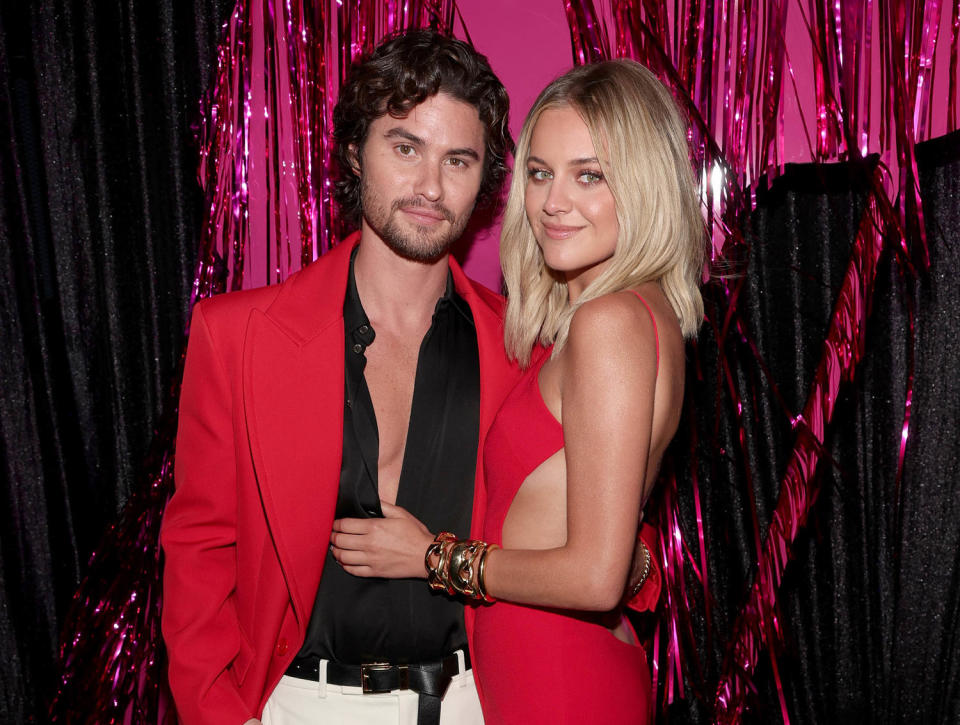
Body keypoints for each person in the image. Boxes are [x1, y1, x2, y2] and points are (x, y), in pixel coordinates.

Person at [160, 29, 517, 725]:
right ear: (356, 152)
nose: (430, 187)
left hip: (476, 701)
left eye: (459, 160)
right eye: (405, 147)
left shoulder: (523, 347)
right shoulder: (236, 335)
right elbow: (199, 555)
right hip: (299, 702)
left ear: (484, 181)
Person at [331, 59, 703, 723]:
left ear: (643, 185)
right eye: (540, 173)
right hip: (555, 669)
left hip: (559, 680)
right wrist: (632, 558)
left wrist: (431, 556)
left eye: (589, 175)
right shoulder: (637, 314)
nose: (553, 202)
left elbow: (593, 577)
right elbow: (611, 546)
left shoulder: (608, 322)